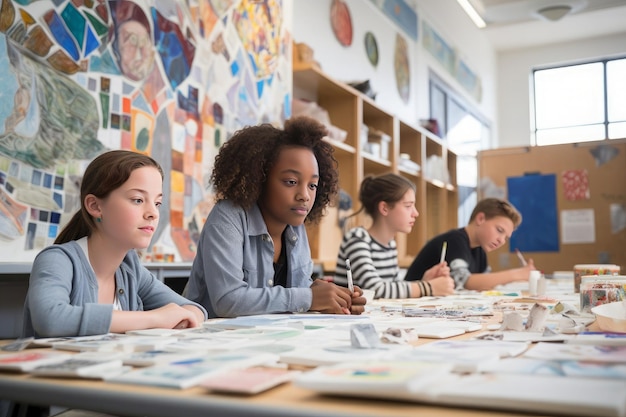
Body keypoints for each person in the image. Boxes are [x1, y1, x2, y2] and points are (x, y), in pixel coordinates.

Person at [184, 116, 366, 318]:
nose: (304, 195)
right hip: (210, 341)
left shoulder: (295, 227)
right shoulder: (228, 217)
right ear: (260, 179)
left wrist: (335, 299)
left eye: (312, 185)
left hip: (264, 341)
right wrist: (309, 298)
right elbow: (227, 301)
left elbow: (297, 291)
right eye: (290, 181)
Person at [22, 150, 207, 338]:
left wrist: (184, 316)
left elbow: (194, 309)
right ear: (95, 206)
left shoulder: (130, 269)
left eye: (157, 203)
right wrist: (154, 318)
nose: (153, 213)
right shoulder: (57, 260)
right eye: (138, 200)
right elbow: (51, 320)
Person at [334, 173, 454, 299]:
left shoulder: (390, 244)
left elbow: (393, 287)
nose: (416, 213)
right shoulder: (357, 238)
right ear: (384, 208)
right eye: (408, 206)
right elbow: (375, 289)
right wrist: (427, 287)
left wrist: (424, 281)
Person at [405, 198, 536, 291]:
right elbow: (466, 282)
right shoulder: (455, 240)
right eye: (499, 230)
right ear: (480, 219)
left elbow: (484, 282)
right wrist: (517, 274)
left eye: (506, 238)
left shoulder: (480, 248)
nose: (501, 240)